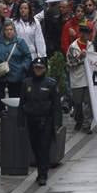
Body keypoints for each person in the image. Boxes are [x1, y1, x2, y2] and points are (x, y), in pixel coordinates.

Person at [18, 57, 62, 185]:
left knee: (44, 148)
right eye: (36, 68)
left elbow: (56, 105)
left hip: (46, 121)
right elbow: (22, 102)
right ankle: (40, 171)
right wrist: (20, 121)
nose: (38, 70)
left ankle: (43, 174)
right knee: (35, 148)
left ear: (45, 69)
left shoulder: (50, 84)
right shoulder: (26, 83)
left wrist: (57, 123)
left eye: (40, 68)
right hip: (31, 120)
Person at [0, 19, 32, 115]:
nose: (9, 32)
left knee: (14, 96)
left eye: (11, 29)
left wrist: (23, 67)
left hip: (16, 74)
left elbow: (28, 56)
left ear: (14, 30)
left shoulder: (20, 42)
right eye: (6, 30)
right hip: (0, 74)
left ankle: (14, 114)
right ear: (3, 31)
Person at [67, 20, 94, 133]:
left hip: (88, 79)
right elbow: (69, 64)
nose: (87, 34)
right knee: (78, 103)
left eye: (89, 32)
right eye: (85, 32)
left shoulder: (91, 46)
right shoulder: (73, 47)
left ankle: (87, 125)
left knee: (88, 103)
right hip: (77, 79)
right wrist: (80, 58)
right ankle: (79, 120)